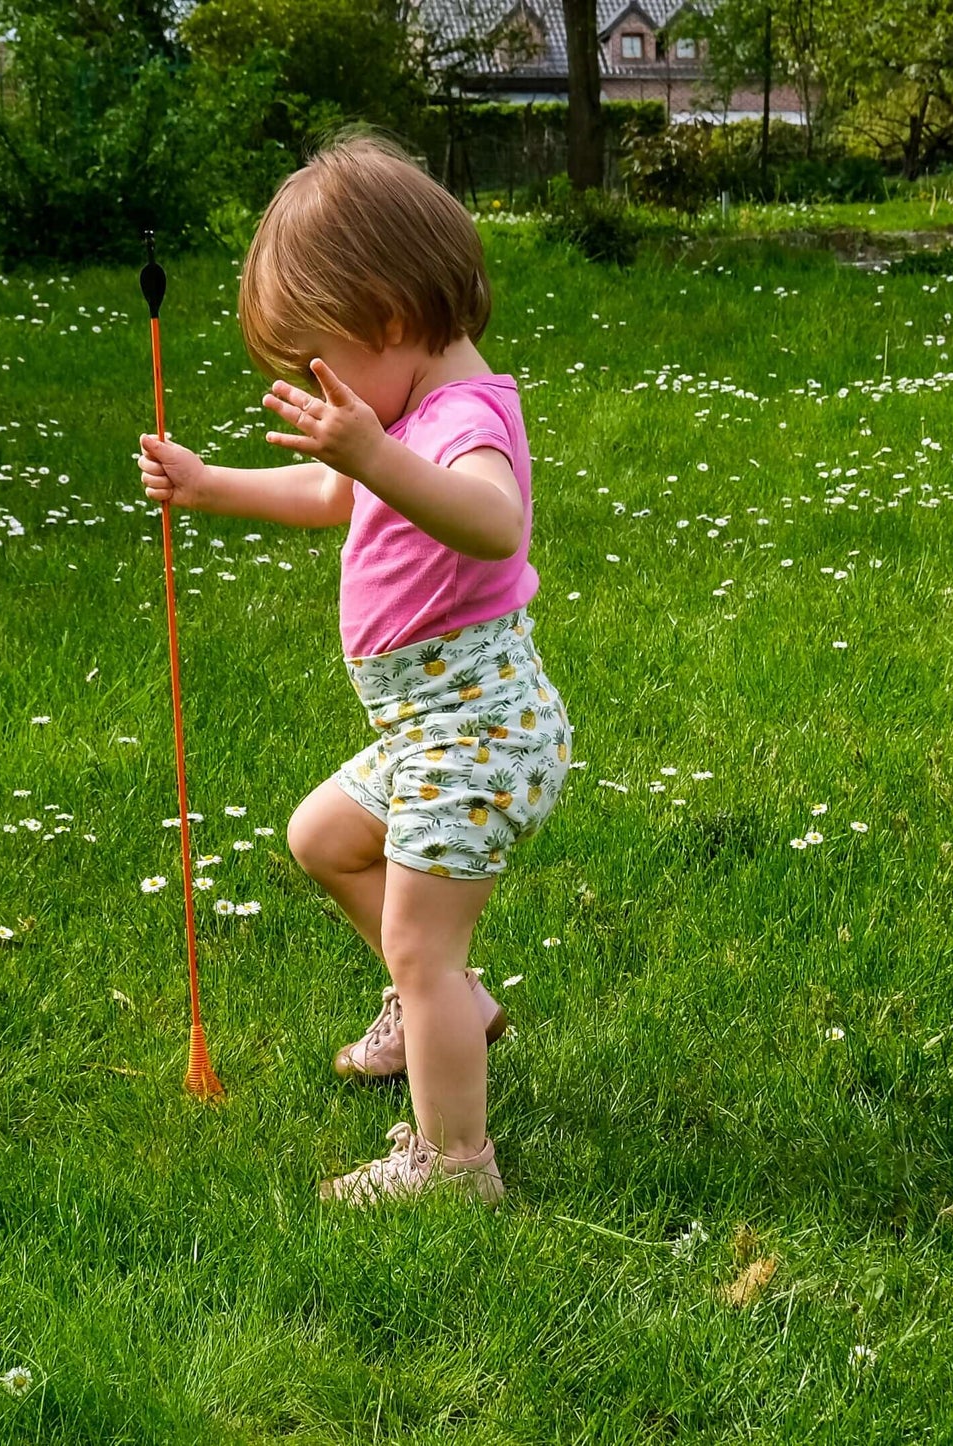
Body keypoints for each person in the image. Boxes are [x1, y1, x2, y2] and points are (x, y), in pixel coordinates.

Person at [135, 127, 572, 1206]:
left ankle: (453, 1162)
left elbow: (492, 518)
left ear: (386, 321)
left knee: (421, 944)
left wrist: (371, 450)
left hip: (475, 739)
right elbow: (335, 495)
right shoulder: (400, 412)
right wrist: (210, 484)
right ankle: (446, 1009)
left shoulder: (461, 418)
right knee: (321, 837)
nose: (310, 389)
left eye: (314, 361)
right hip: (427, 733)